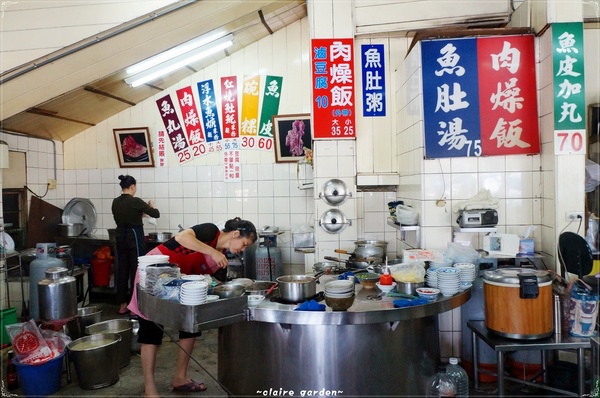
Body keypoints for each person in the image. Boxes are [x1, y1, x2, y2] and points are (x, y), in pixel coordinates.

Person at [128, 217, 257, 397]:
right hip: (154, 271)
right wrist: (212, 251)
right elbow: (182, 238)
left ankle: (180, 377)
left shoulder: (222, 258)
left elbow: (215, 281)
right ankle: (150, 389)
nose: (242, 250)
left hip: (181, 284)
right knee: (151, 331)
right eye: (244, 244)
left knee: (190, 327)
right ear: (235, 234)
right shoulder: (210, 232)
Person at [112, 175, 160, 315]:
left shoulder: (115, 202)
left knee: (122, 271)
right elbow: (156, 214)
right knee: (137, 271)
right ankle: (135, 307)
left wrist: (139, 215)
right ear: (132, 186)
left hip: (120, 238)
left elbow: (125, 218)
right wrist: (151, 206)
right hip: (134, 238)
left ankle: (122, 304)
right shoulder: (136, 201)